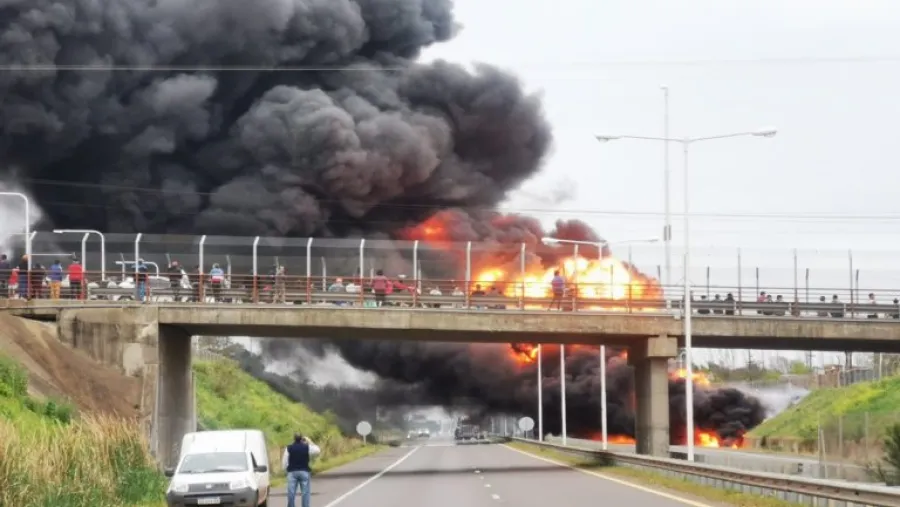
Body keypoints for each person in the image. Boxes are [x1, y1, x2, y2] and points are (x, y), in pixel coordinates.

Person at [282, 434, 321, 507]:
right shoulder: (307, 447)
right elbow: (317, 451)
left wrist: (285, 469)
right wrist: (310, 441)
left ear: (294, 439)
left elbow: (285, 461)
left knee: (291, 492)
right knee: (305, 493)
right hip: (304, 471)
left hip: (292, 472)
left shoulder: (289, 448)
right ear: (301, 439)